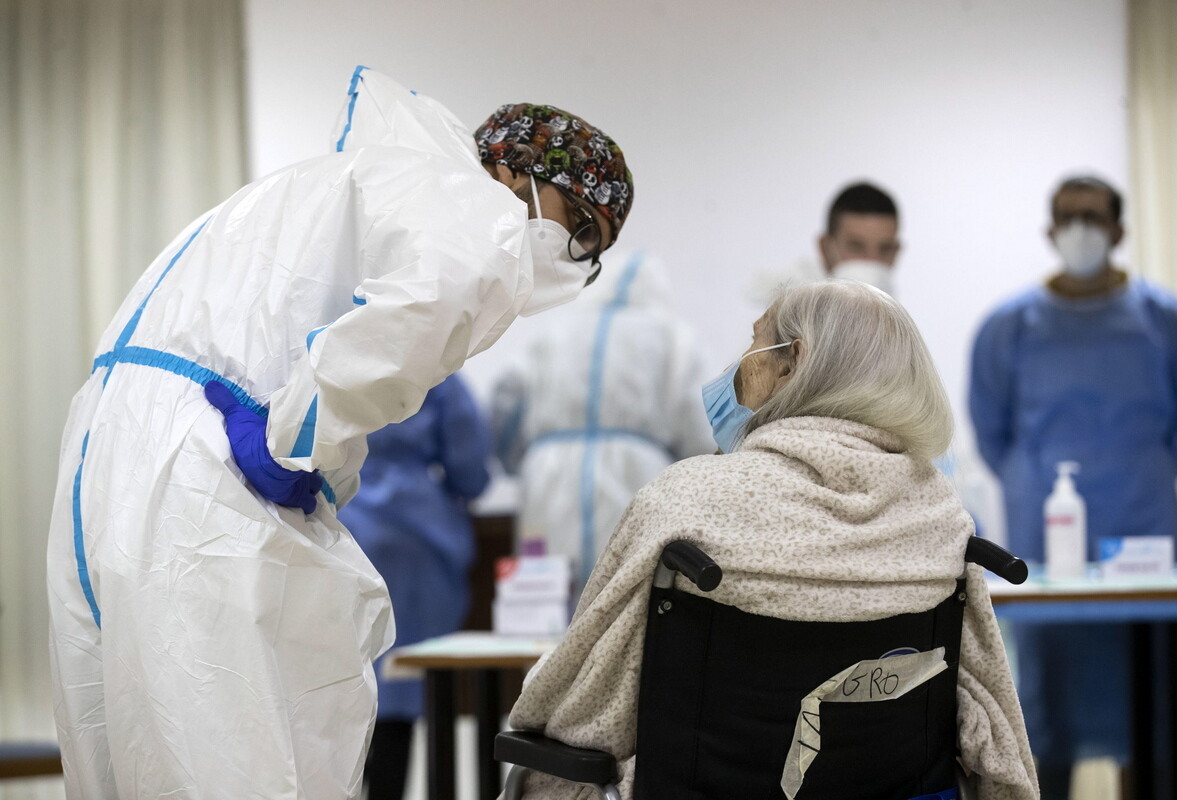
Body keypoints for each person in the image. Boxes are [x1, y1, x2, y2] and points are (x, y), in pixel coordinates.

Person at [45, 66, 633, 800]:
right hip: (208, 465)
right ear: (514, 171)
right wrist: (298, 442)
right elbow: (424, 309)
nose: (569, 256)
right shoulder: (473, 206)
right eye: (577, 227)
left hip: (108, 444)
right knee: (239, 754)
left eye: (590, 247)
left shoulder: (342, 181)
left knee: (126, 748)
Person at [508, 281, 1039, 800]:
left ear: (791, 362)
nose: (739, 363)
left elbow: (583, 706)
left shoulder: (683, 502)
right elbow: (993, 727)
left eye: (754, 341)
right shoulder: (940, 515)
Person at [969, 174, 1177, 797]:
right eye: (1068, 216)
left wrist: (1133, 473)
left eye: (1093, 216)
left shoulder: (1168, 321)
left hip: (1147, 533)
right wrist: (1034, 480)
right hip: (1043, 554)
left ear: (1119, 230)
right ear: (1048, 230)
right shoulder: (1008, 327)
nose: (1080, 229)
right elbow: (992, 432)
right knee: (1045, 712)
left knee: (1153, 708)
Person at [491, 252, 715, 589]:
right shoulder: (673, 337)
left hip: (549, 478)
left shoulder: (552, 333)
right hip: (638, 474)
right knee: (625, 595)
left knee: (543, 598)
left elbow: (506, 401)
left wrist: (515, 461)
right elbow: (700, 431)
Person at [337, 373, 490, 799]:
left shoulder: (332, 350)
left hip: (339, 521)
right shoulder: (435, 368)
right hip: (417, 536)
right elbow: (470, 467)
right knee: (401, 687)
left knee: (338, 685)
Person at [817, 181, 902, 294]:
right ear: (825, 248)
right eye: (856, 247)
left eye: (885, 249)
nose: (871, 261)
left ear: (896, 252)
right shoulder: (790, 306)